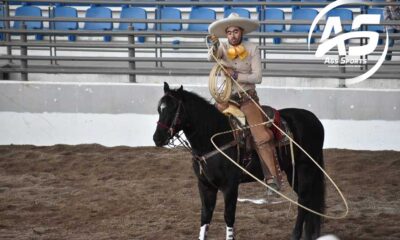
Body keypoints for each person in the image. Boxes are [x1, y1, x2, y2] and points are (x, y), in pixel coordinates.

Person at [207, 13, 282, 193]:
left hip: (248, 99)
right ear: (226, 34)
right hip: (227, 99)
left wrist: (236, 76)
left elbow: (258, 77)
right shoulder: (222, 48)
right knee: (211, 127)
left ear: (241, 32)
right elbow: (211, 57)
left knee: (260, 136)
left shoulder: (252, 48)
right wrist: (215, 45)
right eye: (229, 32)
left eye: (236, 31)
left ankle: (272, 178)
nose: (233, 35)